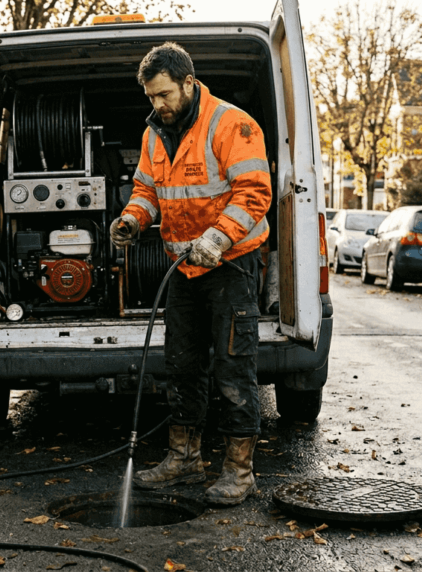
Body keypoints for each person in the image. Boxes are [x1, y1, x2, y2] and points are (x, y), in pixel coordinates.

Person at [110, 42, 271, 506]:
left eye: (163, 95)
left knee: (232, 365)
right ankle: (184, 459)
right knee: (182, 364)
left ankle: (239, 472)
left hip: (231, 264)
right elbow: (146, 188)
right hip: (184, 267)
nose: (157, 105)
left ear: (188, 82)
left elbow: (254, 192)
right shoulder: (154, 134)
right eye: (150, 98)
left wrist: (218, 239)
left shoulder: (231, 124)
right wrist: (133, 219)